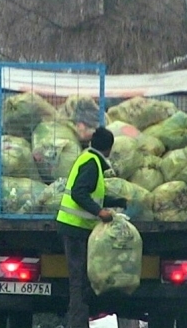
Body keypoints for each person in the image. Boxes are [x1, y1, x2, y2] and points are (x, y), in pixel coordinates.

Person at [56, 126, 125, 328]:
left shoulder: (89, 159)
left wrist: (119, 200)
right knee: (78, 281)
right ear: (109, 148)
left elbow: (93, 192)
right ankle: (77, 324)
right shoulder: (92, 164)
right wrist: (99, 212)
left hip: (76, 229)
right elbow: (79, 192)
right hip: (74, 229)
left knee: (82, 280)